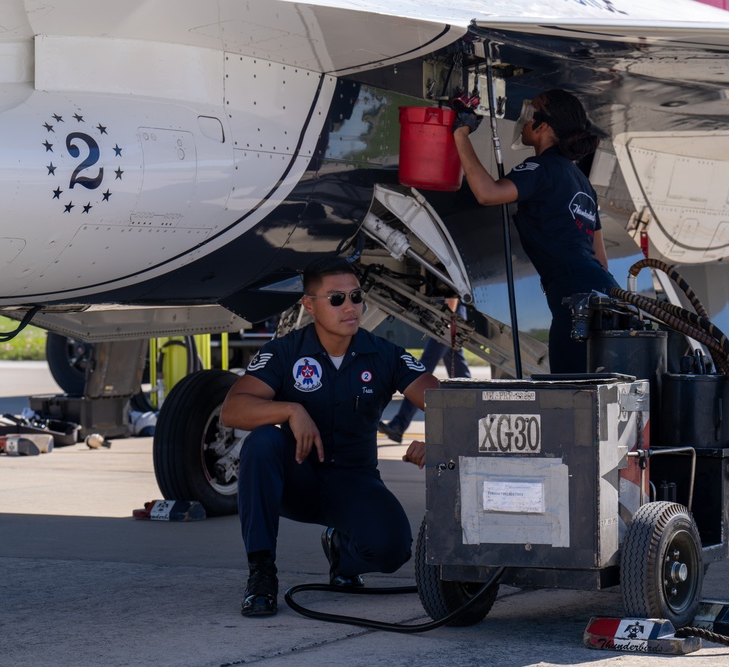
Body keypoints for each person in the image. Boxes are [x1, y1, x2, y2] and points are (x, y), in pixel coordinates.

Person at [221, 257, 436, 617]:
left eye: (356, 296)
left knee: (393, 550)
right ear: (309, 305)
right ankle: (261, 573)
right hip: (297, 479)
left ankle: (342, 553)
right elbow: (233, 409)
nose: (350, 307)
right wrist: (290, 410)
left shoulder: (384, 355)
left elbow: (450, 403)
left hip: (355, 480)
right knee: (262, 442)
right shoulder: (285, 352)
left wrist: (440, 438)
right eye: (336, 299)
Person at [453, 89, 618, 373]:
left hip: (572, 296)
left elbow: (487, 193)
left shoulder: (542, 168)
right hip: (604, 290)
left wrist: (461, 134)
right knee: (597, 388)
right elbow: (600, 258)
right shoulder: (581, 181)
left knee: (571, 391)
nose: (524, 121)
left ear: (543, 126)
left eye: (530, 115)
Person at [377, 297, 470, 444]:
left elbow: (452, 293)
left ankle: (399, 425)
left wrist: (447, 319)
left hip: (448, 321)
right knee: (460, 372)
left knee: (422, 371)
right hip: (449, 319)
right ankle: (475, 417)